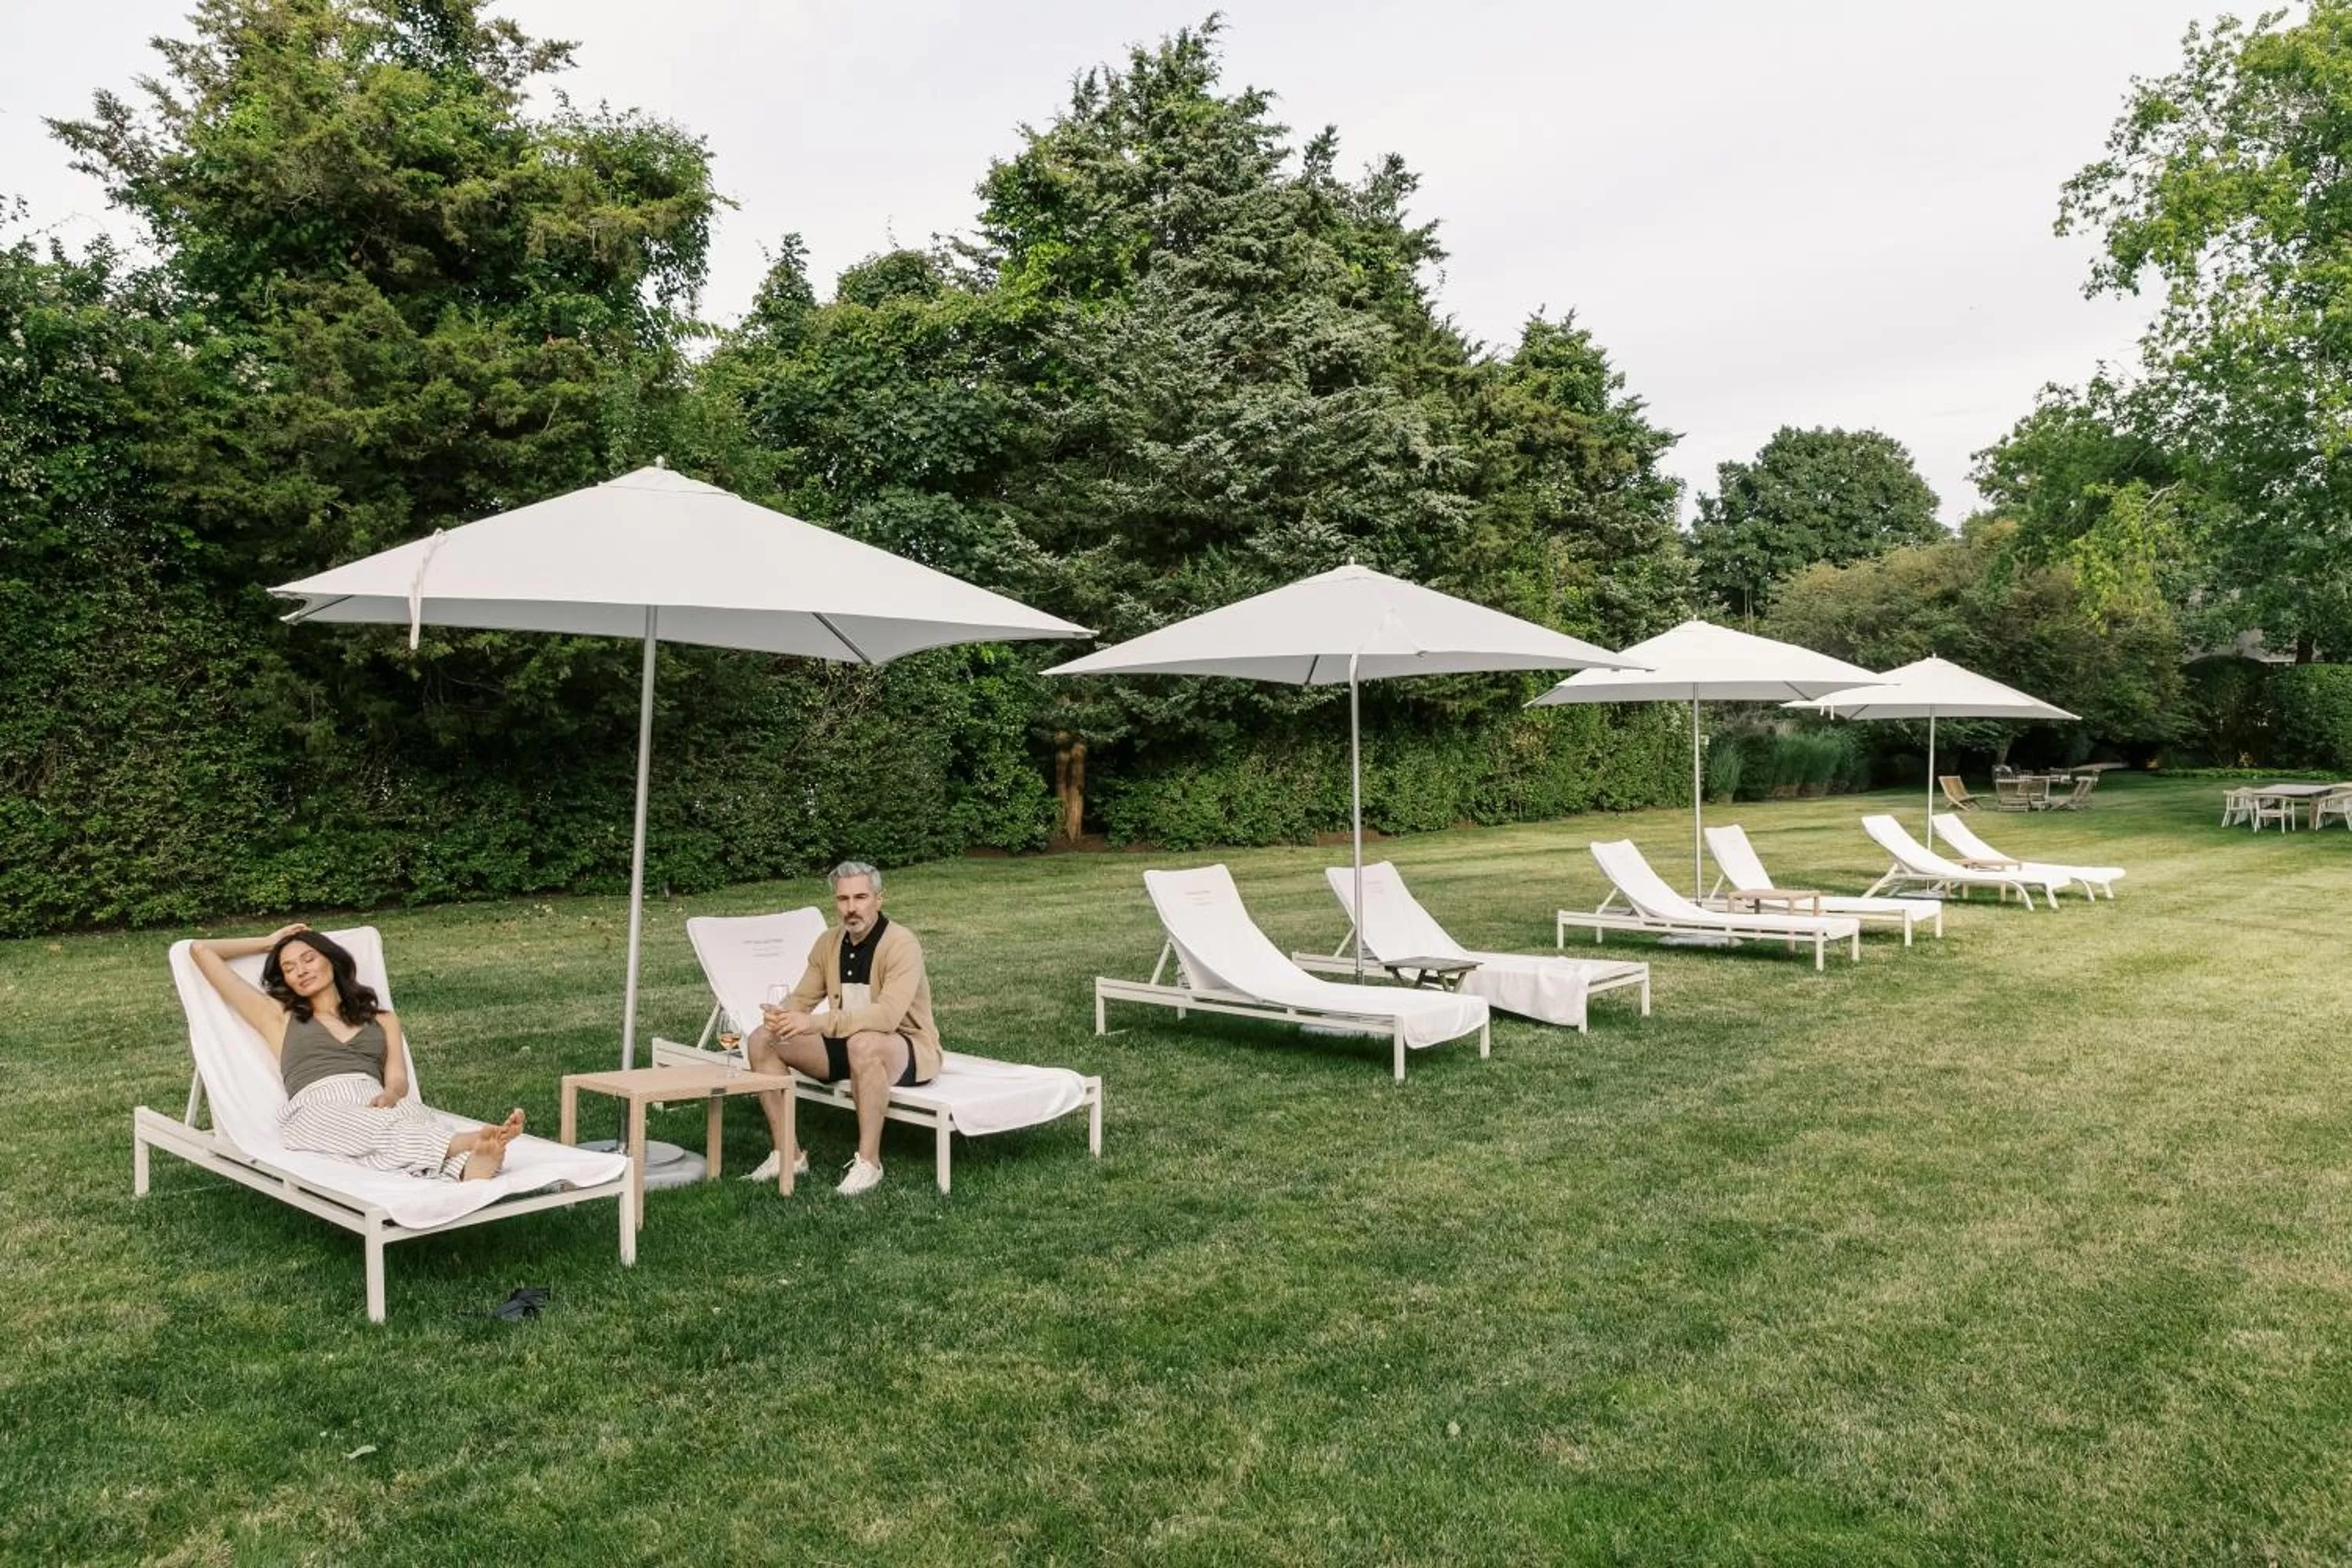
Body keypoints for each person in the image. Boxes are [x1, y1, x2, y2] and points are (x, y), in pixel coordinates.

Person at [189, 923, 523, 1181]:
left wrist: (392, 1095)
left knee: (412, 1117)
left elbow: (397, 1077)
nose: (301, 970)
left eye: (308, 959)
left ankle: (471, 1165)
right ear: (286, 981)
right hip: (316, 1106)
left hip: (375, 1098)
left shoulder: (383, 1019)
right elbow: (201, 950)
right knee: (363, 1128)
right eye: (289, 968)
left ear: (332, 961)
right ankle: (460, 1144)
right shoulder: (277, 1018)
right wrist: (270, 942)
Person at [742, 862, 941, 1196]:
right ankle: (787, 1155)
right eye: (843, 899)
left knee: (864, 1043)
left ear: (879, 899)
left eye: (861, 897)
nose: (851, 908)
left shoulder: (901, 944)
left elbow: (887, 1017)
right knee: (763, 1040)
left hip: (905, 1046)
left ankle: (869, 1163)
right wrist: (782, 1014)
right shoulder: (829, 943)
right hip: (846, 1041)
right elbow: (803, 998)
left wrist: (814, 1022)